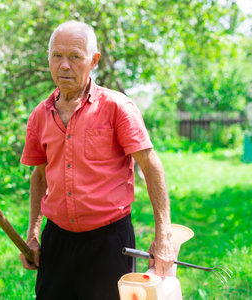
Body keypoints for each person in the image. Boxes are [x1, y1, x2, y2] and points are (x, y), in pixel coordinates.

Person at [19, 20, 175, 300]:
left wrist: (163, 237)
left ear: (94, 61)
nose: (65, 65)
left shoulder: (118, 107)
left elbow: (151, 167)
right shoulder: (39, 115)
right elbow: (39, 176)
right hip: (57, 240)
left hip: (109, 242)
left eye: (75, 57)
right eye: (57, 56)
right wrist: (32, 233)